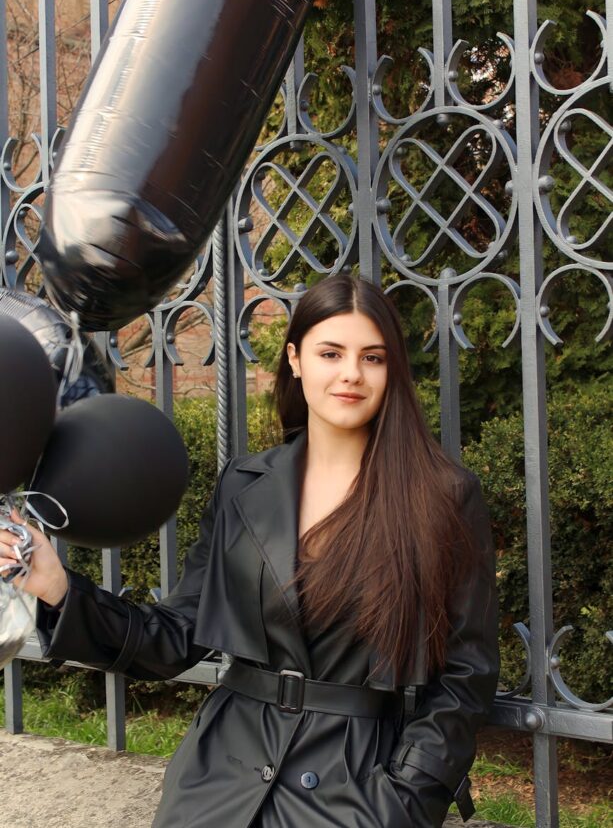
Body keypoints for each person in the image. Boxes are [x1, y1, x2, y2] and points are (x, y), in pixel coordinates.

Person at [0, 274, 499, 828]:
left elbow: (465, 677)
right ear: (296, 359)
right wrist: (59, 589)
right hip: (220, 778)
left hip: (359, 786)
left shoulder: (443, 495)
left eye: (373, 357)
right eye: (330, 352)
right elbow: (177, 635)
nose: (351, 374)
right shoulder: (244, 484)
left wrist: (405, 799)